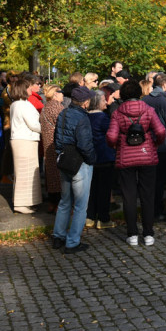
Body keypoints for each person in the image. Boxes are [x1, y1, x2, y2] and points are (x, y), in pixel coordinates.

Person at [106, 79, 166, 247]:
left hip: (126, 157)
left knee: (129, 196)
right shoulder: (148, 110)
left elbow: (111, 136)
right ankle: (148, 234)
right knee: (148, 196)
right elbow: (161, 131)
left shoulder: (117, 113)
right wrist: (154, 143)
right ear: (139, 94)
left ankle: (132, 234)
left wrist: (116, 145)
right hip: (147, 156)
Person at [51, 86, 97, 254]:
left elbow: (57, 136)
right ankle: (72, 242)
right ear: (85, 102)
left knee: (64, 201)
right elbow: (85, 144)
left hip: (64, 159)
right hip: (79, 162)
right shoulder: (82, 118)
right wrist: (92, 160)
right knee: (80, 205)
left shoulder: (63, 113)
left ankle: (58, 236)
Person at [142, 72, 166, 221]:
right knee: (160, 181)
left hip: (148, 145)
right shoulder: (165, 102)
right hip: (163, 146)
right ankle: (157, 211)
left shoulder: (145, 100)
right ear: (165, 84)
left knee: (150, 180)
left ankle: (151, 209)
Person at [8, 77, 43, 214]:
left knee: (25, 172)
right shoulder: (23, 105)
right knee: (25, 172)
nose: (31, 90)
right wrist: (45, 128)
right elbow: (33, 124)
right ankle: (21, 203)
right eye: (28, 87)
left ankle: (26, 201)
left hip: (21, 139)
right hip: (25, 140)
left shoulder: (16, 104)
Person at [85, 90, 118, 230]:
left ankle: (90, 216)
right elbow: (112, 135)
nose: (106, 102)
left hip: (90, 158)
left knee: (92, 189)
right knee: (104, 190)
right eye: (104, 100)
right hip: (104, 157)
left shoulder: (85, 117)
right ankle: (103, 218)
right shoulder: (103, 118)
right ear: (98, 102)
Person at [40, 84, 65, 211]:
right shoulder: (58, 107)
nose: (63, 94)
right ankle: (58, 205)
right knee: (58, 176)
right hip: (56, 144)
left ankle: (52, 203)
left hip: (47, 144)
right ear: (55, 93)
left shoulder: (45, 107)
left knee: (50, 174)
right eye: (61, 92)